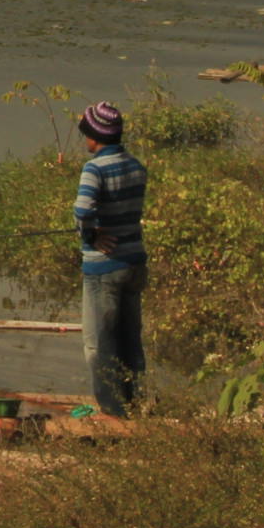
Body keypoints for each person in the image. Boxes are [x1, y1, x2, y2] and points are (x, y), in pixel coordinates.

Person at [74, 100, 149, 418]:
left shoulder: (94, 169)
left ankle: (112, 410)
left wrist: (91, 236)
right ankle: (135, 401)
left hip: (104, 268)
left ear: (95, 137)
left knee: (99, 342)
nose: (85, 140)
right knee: (129, 338)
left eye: (86, 135)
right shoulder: (136, 165)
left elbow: (82, 210)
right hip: (134, 263)